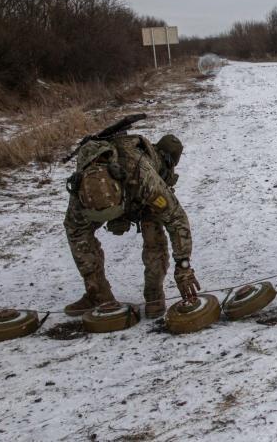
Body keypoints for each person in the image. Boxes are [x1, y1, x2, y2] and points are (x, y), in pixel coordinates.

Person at [63, 132, 201, 317]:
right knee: (76, 231)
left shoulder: (144, 179)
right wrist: (93, 282)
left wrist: (183, 267)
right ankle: (98, 294)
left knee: (154, 237)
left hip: (138, 195)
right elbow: (75, 231)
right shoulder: (83, 189)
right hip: (115, 195)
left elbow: (176, 219)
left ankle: (154, 295)